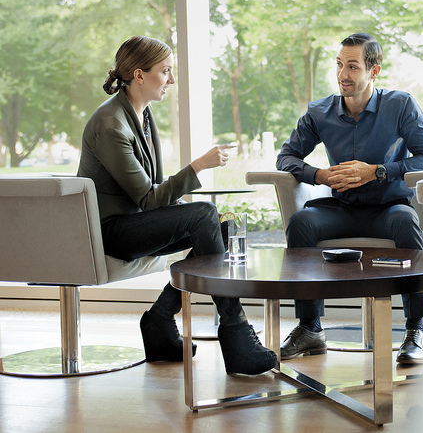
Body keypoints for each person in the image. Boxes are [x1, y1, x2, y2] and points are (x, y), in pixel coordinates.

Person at [77, 35, 277, 375]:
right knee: (204, 215)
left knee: (223, 230)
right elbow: (148, 198)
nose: (171, 80)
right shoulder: (111, 124)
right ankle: (236, 333)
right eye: (166, 71)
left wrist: (177, 199)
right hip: (113, 232)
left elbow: (148, 187)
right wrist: (198, 166)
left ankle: (159, 319)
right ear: (139, 75)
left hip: (136, 221)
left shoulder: (140, 113)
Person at [276, 32, 423, 364]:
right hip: (341, 208)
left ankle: (414, 329)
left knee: (408, 222)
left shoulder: (400, 105)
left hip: (388, 209)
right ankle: (310, 328)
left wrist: (377, 171)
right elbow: (287, 157)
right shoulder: (319, 112)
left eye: (352, 66)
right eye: (339, 65)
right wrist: (319, 175)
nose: (343, 75)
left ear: (373, 71)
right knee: (301, 223)